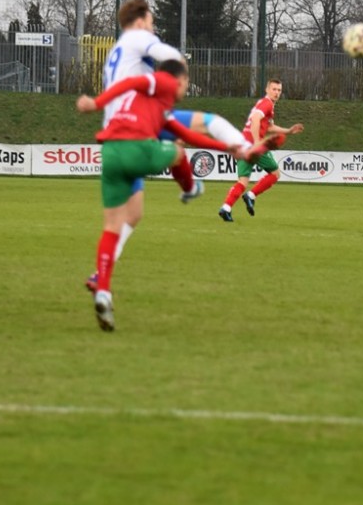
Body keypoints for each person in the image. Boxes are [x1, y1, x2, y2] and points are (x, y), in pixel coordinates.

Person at [77, 60, 255, 331]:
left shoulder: (150, 107)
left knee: (113, 225)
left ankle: (103, 291)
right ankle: (190, 188)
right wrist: (96, 103)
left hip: (110, 153)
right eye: (186, 83)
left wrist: (228, 148)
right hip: (137, 149)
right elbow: (137, 86)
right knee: (177, 151)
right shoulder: (164, 82)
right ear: (179, 80)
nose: (184, 89)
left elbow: (187, 133)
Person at [218, 79, 304, 222]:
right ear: (267, 89)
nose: (277, 93)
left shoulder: (264, 105)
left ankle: (226, 208)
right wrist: (257, 142)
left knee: (243, 181)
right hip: (252, 144)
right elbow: (256, 120)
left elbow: (269, 127)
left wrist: (288, 131)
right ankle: (250, 196)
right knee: (275, 174)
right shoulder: (267, 103)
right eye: (274, 89)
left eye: (279, 90)